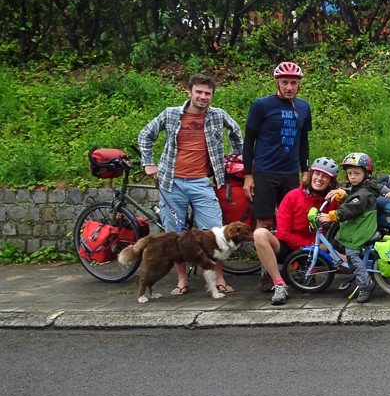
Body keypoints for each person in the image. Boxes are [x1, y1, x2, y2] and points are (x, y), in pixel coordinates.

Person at [137, 74, 244, 296]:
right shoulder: (171, 114)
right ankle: (182, 280)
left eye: (207, 93)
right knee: (174, 235)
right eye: (199, 92)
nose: (203, 97)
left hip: (201, 182)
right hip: (171, 182)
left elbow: (237, 133)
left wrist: (236, 157)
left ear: (212, 95)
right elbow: (146, 135)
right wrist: (148, 163)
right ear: (190, 92)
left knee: (216, 233)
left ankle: (218, 279)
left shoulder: (217, 116)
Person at [253, 156, 339, 306]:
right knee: (260, 234)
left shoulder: (332, 199)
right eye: (317, 174)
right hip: (292, 248)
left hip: (320, 252)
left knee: (350, 263)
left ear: (331, 182)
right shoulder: (292, 196)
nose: (320, 179)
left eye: (325, 176)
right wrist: (311, 246)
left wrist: (342, 193)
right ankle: (279, 284)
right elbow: (283, 233)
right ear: (311, 175)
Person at [243, 61, 313, 233]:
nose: (289, 87)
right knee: (264, 221)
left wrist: (304, 171)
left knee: (290, 220)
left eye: (293, 83)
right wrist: (248, 175)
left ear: (299, 85)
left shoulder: (303, 107)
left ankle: (286, 258)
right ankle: (263, 258)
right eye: (285, 82)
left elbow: (303, 140)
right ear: (277, 83)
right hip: (265, 171)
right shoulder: (262, 105)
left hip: (290, 173)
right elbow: (249, 140)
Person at [320, 152, 381, 303]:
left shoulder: (364, 192)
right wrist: (342, 195)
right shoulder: (362, 188)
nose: (352, 177)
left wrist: (332, 216)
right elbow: (351, 197)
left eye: (357, 173)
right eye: (349, 173)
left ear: (366, 174)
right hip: (361, 225)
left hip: (363, 228)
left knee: (352, 255)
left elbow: (352, 207)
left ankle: (365, 285)